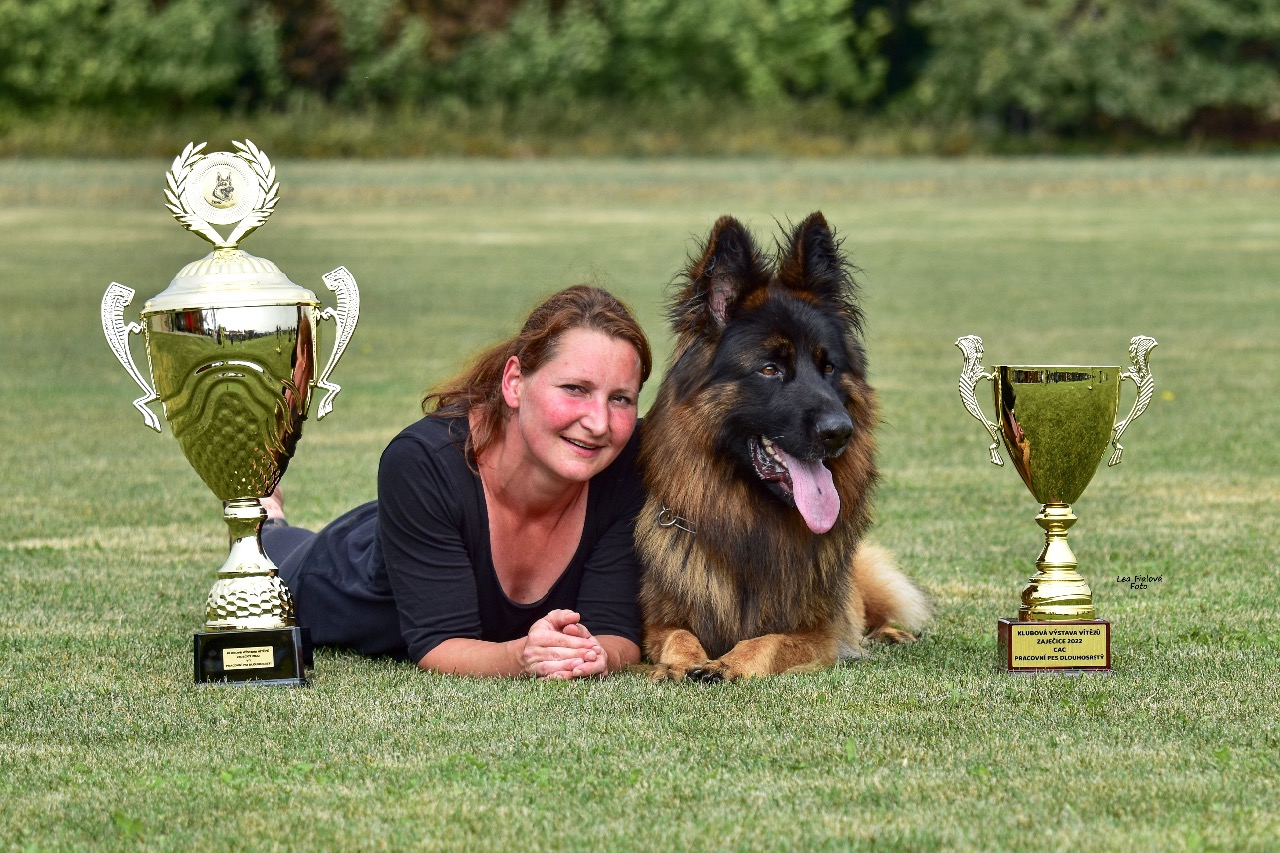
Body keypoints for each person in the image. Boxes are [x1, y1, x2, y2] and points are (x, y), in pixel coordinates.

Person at [262, 285, 652, 679]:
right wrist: (523, 657)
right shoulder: (423, 460)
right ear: (514, 382)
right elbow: (440, 643)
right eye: (575, 389)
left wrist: (595, 655)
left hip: (428, 527)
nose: (599, 423)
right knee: (267, 558)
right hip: (342, 574)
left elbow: (615, 630)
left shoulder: (634, 462)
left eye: (620, 398)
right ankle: (265, 515)